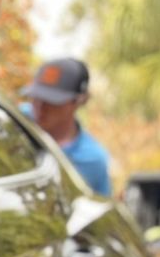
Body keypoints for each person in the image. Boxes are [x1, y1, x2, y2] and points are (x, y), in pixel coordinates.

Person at [22, 57, 112, 196]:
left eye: (51, 100)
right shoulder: (15, 120)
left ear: (79, 101)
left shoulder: (92, 160)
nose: (40, 107)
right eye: (36, 97)